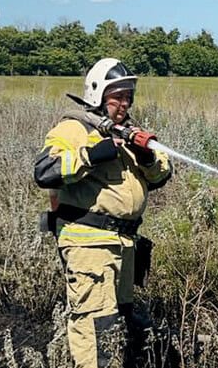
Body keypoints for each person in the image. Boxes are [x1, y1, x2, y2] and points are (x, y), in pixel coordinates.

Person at [33, 58, 173, 368]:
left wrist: (147, 157)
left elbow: (162, 175)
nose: (124, 103)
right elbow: (45, 171)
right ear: (98, 93)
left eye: (128, 96)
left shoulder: (128, 133)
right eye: (117, 95)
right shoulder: (74, 127)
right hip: (89, 243)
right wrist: (93, 154)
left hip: (123, 244)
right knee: (97, 328)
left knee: (118, 325)